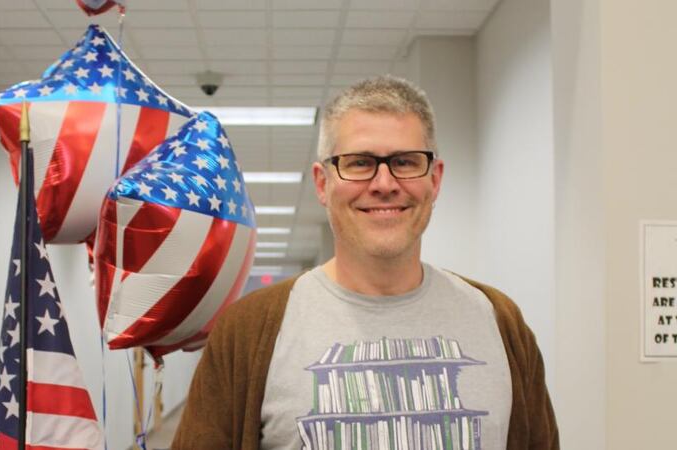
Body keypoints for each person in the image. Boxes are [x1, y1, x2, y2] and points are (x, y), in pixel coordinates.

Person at [172, 75, 558, 450]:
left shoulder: (498, 320)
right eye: (359, 163)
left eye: (406, 162)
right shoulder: (248, 331)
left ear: (435, 180)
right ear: (323, 183)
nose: (385, 183)